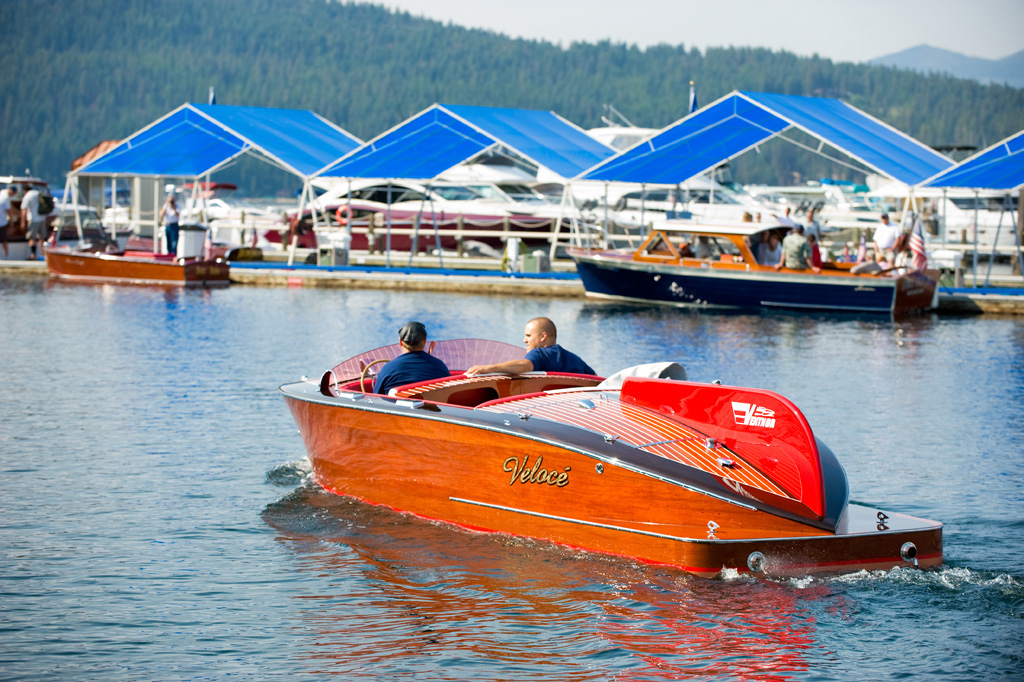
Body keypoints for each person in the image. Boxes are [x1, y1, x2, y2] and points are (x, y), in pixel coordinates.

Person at [466, 317, 595, 376]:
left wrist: (488, 368)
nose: (524, 340)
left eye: (528, 335)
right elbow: (596, 378)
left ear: (542, 337)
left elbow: (525, 366)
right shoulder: (575, 359)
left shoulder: (540, 353)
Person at [372, 321, 450, 396]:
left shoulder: (388, 369)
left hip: (398, 409)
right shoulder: (440, 367)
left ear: (400, 341)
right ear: (425, 340)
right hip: (432, 409)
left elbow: (375, 399)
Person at [21, 186, 44, 260]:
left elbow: (24, 210)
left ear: (25, 191)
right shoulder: (38, 193)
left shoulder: (27, 196)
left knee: (31, 237)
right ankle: (43, 255)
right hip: (42, 218)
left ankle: (33, 255)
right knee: (41, 237)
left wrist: (22, 222)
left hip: (33, 219)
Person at [0, 187, 12, 257]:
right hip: (2, 223)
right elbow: (9, 211)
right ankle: (6, 255)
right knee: (4, 240)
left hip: (2, 223)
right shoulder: (3, 199)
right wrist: (11, 221)